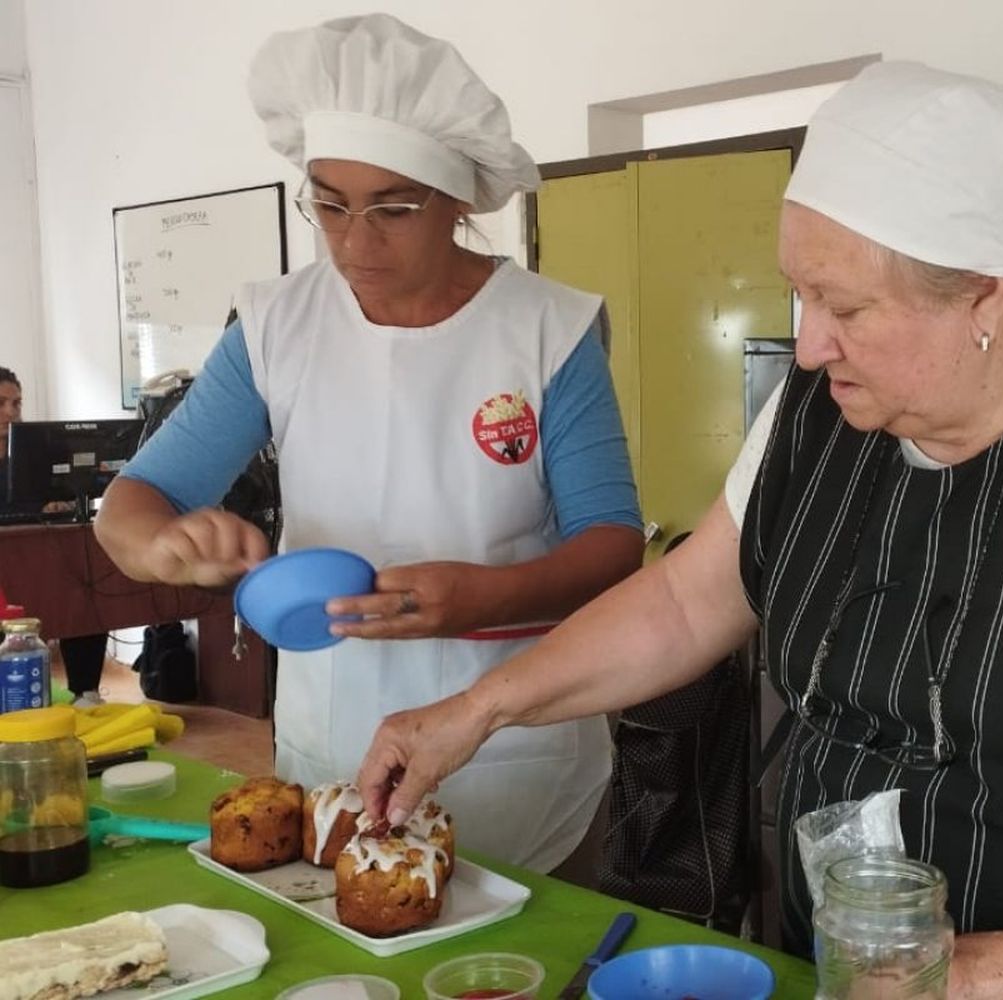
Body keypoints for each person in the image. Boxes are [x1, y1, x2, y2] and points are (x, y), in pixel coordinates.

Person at [357, 63, 1003, 998]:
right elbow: (682, 602)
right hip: (858, 959)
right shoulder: (816, 411)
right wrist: (478, 711)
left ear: (985, 292)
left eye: (844, 304)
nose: (807, 340)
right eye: (800, 291)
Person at [94, 13, 643, 871]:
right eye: (330, 203)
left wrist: (483, 600)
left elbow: (613, 548)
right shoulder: (279, 325)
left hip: (515, 747)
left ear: (459, 198)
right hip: (334, 745)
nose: (355, 242)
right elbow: (131, 503)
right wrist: (165, 545)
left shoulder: (547, 331)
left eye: (393, 207)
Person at [0, 365, 110, 707]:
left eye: (17, 403)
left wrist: (59, 504)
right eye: (2, 403)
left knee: (84, 580)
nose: (11, 412)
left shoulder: (36, 454)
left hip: (38, 550)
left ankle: (86, 691)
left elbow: (49, 498)